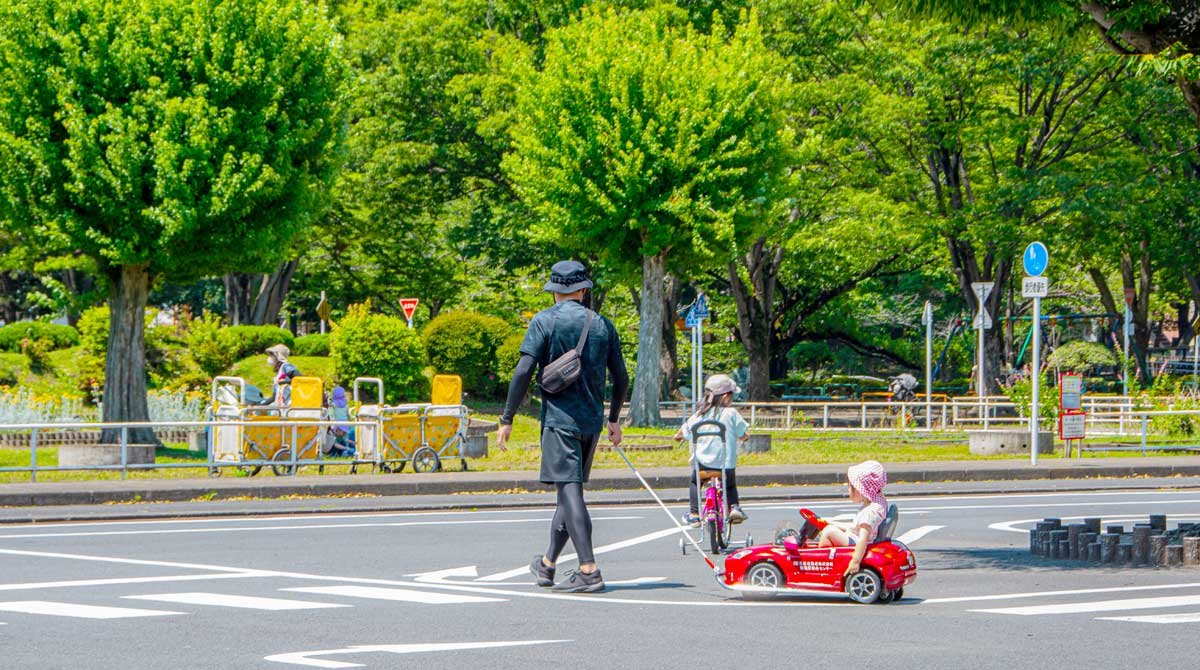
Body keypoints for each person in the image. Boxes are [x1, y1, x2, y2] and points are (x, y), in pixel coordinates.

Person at [496, 260, 629, 594]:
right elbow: (622, 377)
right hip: (590, 423)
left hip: (559, 421)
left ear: (555, 291)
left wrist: (507, 418)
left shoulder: (543, 322)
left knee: (570, 493)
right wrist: (613, 420)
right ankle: (548, 564)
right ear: (583, 291)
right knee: (567, 495)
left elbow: (524, 370)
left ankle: (588, 569)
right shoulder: (602, 325)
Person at [673, 374, 749, 528]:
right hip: (725, 465)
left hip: (702, 465)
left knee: (695, 482)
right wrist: (744, 437)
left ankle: (694, 514)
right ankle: (734, 507)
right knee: (730, 484)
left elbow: (682, 433)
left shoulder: (699, 414)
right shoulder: (732, 413)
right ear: (726, 396)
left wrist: (678, 437)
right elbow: (743, 434)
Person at [817, 460, 888, 578]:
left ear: (861, 489)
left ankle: (822, 562)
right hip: (855, 538)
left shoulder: (869, 513)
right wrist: (831, 522)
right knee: (830, 526)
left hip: (855, 543)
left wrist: (855, 561)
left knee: (829, 532)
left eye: (851, 486)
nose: (848, 490)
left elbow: (862, 539)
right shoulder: (877, 504)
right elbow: (855, 528)